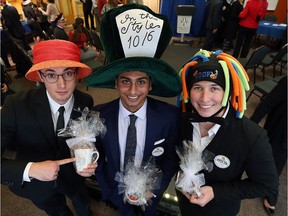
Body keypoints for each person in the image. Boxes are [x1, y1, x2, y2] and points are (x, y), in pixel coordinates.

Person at [86, 4, 182, 216]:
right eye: (125, 81)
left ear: (150, 85)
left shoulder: (169, 117)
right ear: (115, 84)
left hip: (150, 192)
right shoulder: (99, 115)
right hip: (114, 188)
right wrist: (106, 184)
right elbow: (98, 155)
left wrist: (154, 189)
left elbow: (171, 158)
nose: (132, 90)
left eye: (141, 82)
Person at [176, 49, 279, 216]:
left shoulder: (252, 137)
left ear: (228, 92)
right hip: (184, 203)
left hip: (220, 210)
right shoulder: (180, 120)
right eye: (197, 87)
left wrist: (216, 192)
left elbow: (267, 185)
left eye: (214, 88)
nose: (204, 98)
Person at [1, 40, 96, 216]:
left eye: (68, 73)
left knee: (82, 202)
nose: (61, 85)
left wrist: (87, 152)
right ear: (41, 76)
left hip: (75, 176)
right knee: (57, 210)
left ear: (77, 75)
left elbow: (86, 133)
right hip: (38, 183)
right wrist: (30, 169)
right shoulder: (15, 105)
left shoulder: (85, 101)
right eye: (51, 75)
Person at [250, 75, 287, 215]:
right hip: (279, 131)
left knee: (276, 161)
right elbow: (268, 103)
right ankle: (271, 194)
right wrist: (252, 124)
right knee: (274, 161)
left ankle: (269, 190)